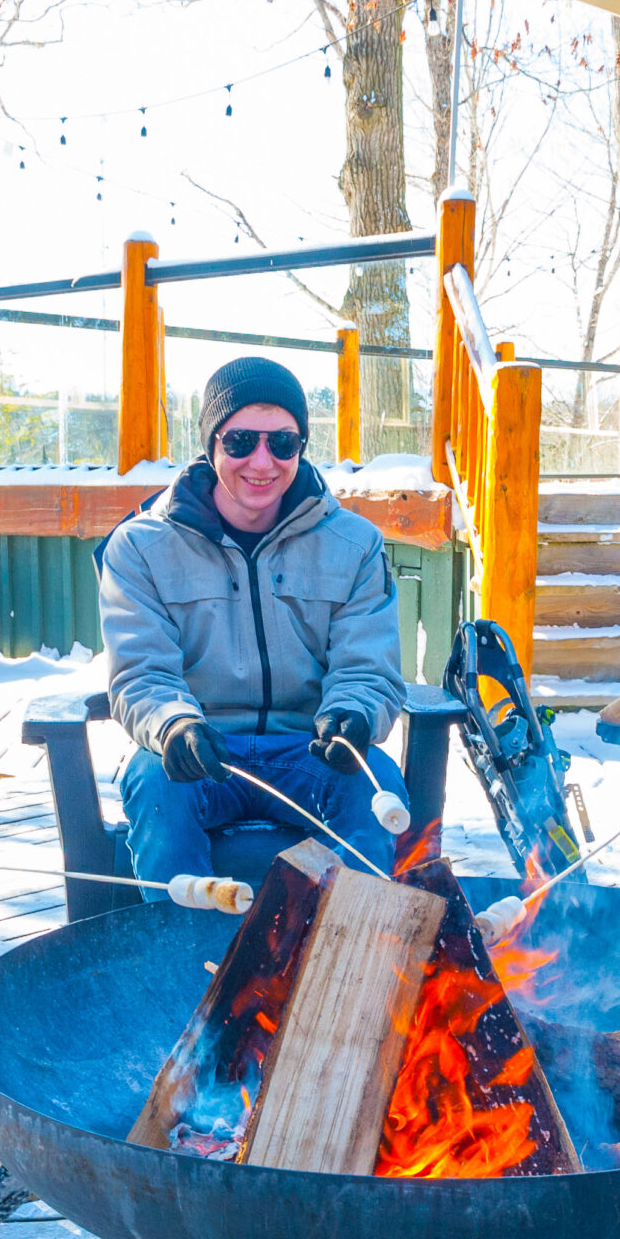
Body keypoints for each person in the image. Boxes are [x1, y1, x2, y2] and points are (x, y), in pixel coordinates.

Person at [99, 356, 407, 882]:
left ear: (301, 447)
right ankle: (179, 951)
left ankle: (351, 953)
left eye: (282, 443)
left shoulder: (354, 544)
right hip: (200, 751)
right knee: (155, 785)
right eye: (241, 441)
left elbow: (367, 664)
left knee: (371, 781)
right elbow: (140, 670)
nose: (262, 462)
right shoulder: (142, 546)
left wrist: (354, 715)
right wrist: (174, 725)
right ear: (211, 444)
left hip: (309, 750)